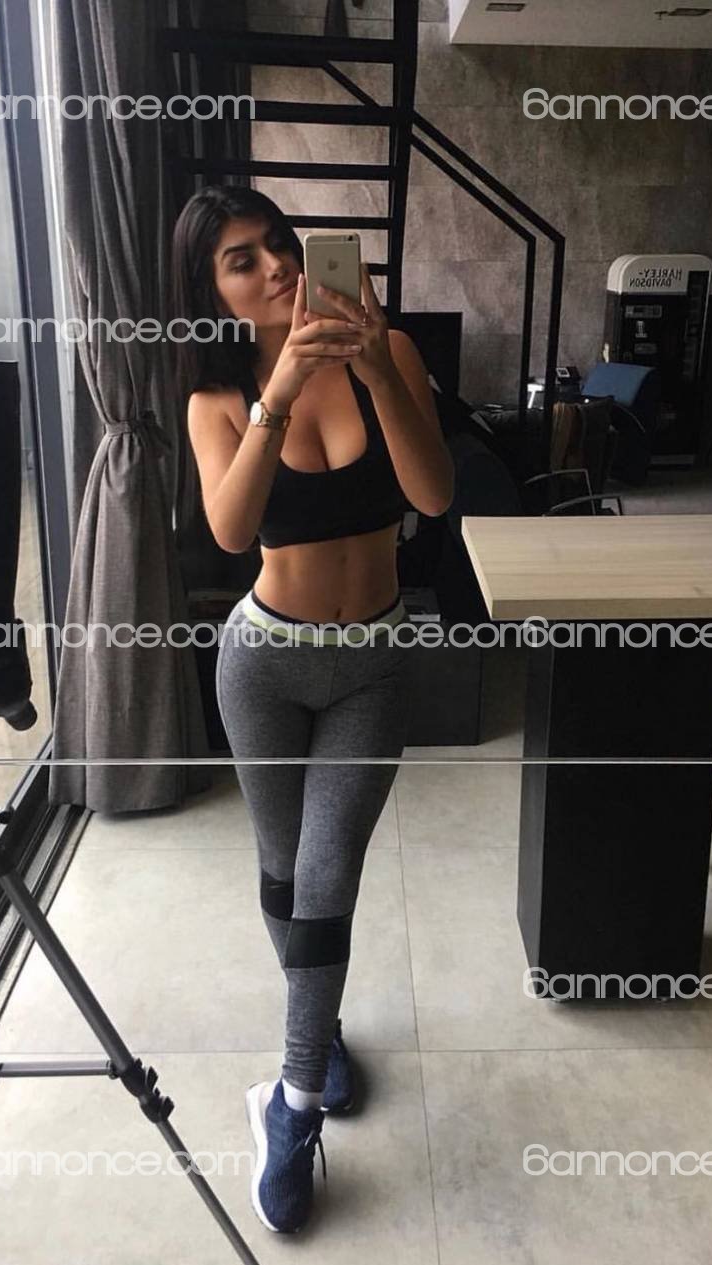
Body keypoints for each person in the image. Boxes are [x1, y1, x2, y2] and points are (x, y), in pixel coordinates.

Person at [172, 186, 454, 1234]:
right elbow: (231, 529)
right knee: (285, 868)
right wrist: (280, 391)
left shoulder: (393, 354)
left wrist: (375, 367)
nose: (276, 267)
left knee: (328, 870)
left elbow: (432, 495)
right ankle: (320, 1025)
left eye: (280, 245)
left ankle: (288, 1108)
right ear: (212, 291)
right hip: (262, 664)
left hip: (373, 664)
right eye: (241, 260)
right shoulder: (216, 398)